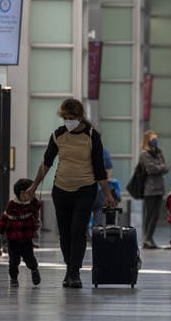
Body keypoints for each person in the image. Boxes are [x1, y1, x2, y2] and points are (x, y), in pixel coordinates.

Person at [28, 99, 117, 288]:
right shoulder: (58, 135)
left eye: (72, 117)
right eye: (65, 118)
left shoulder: (92, 136)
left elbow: (99, 169)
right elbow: (46, 163)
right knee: (65, 233)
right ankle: (70, 269)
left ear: (80, 116)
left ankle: (73, 273)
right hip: (61, 190)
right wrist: (34, 186)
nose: (69, 121)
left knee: (78, 230)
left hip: (85, 189)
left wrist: (108, 195)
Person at [0, 178, 42, 288]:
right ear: (22, 193)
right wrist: (0, 231)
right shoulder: (11, 204)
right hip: (13, 240)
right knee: (13, 261)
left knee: (30, 259)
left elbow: (37, 209)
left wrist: (35, 200)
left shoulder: (31, 204)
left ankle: (34, 269)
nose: (33, 194)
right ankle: (13, 278)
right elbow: (4, 218)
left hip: (26, 239)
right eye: (31, 192)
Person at [139, 130, 169, 249]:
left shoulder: (158, 152)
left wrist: (159, 167)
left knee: (156, 215)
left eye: (156, 139)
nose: (155, 141)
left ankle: (149, 238)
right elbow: (150, 169)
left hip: (160, 188)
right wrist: (160, 167)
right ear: (148, 140)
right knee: (149, 214)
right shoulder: (144, 154)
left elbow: (166, 167)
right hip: (149, 188)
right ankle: (147, 239)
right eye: (153, 139)